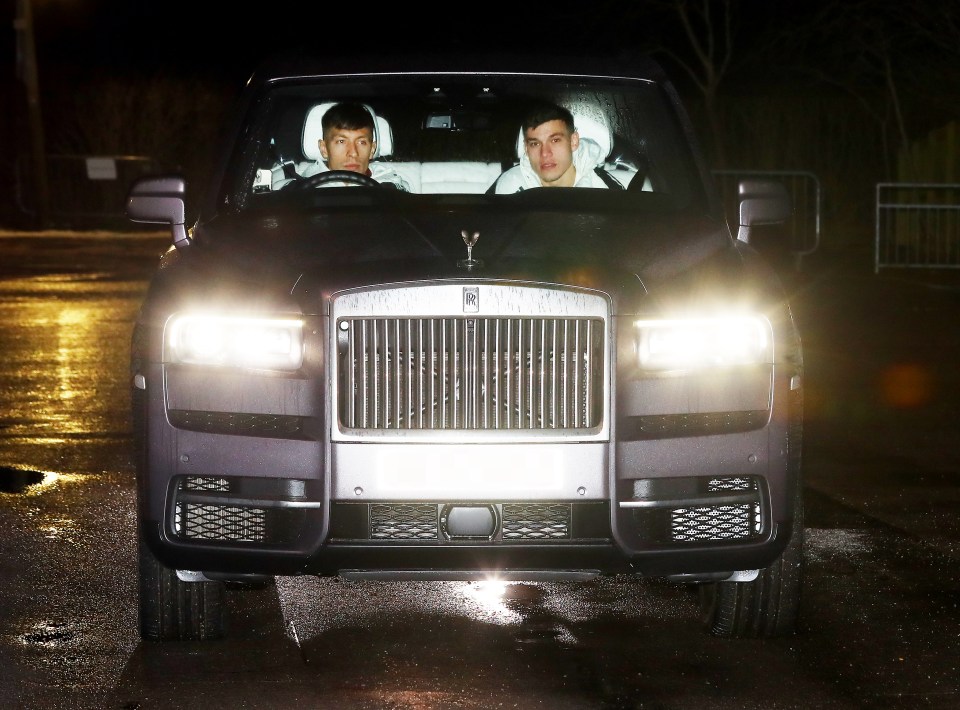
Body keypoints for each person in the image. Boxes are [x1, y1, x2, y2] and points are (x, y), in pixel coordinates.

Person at [493, 101, 626, 193]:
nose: (545, 153)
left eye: (555, 140)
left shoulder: (604, 189)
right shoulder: (507, 185)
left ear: (573, 141)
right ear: (526, 149)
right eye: (535, 144)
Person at [273, 101, 410, 191]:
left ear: (372, 149)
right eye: (341, 141)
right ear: (324, 149)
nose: (353, 153)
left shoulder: (391, 186)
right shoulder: (300, 189)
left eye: (361, 142)